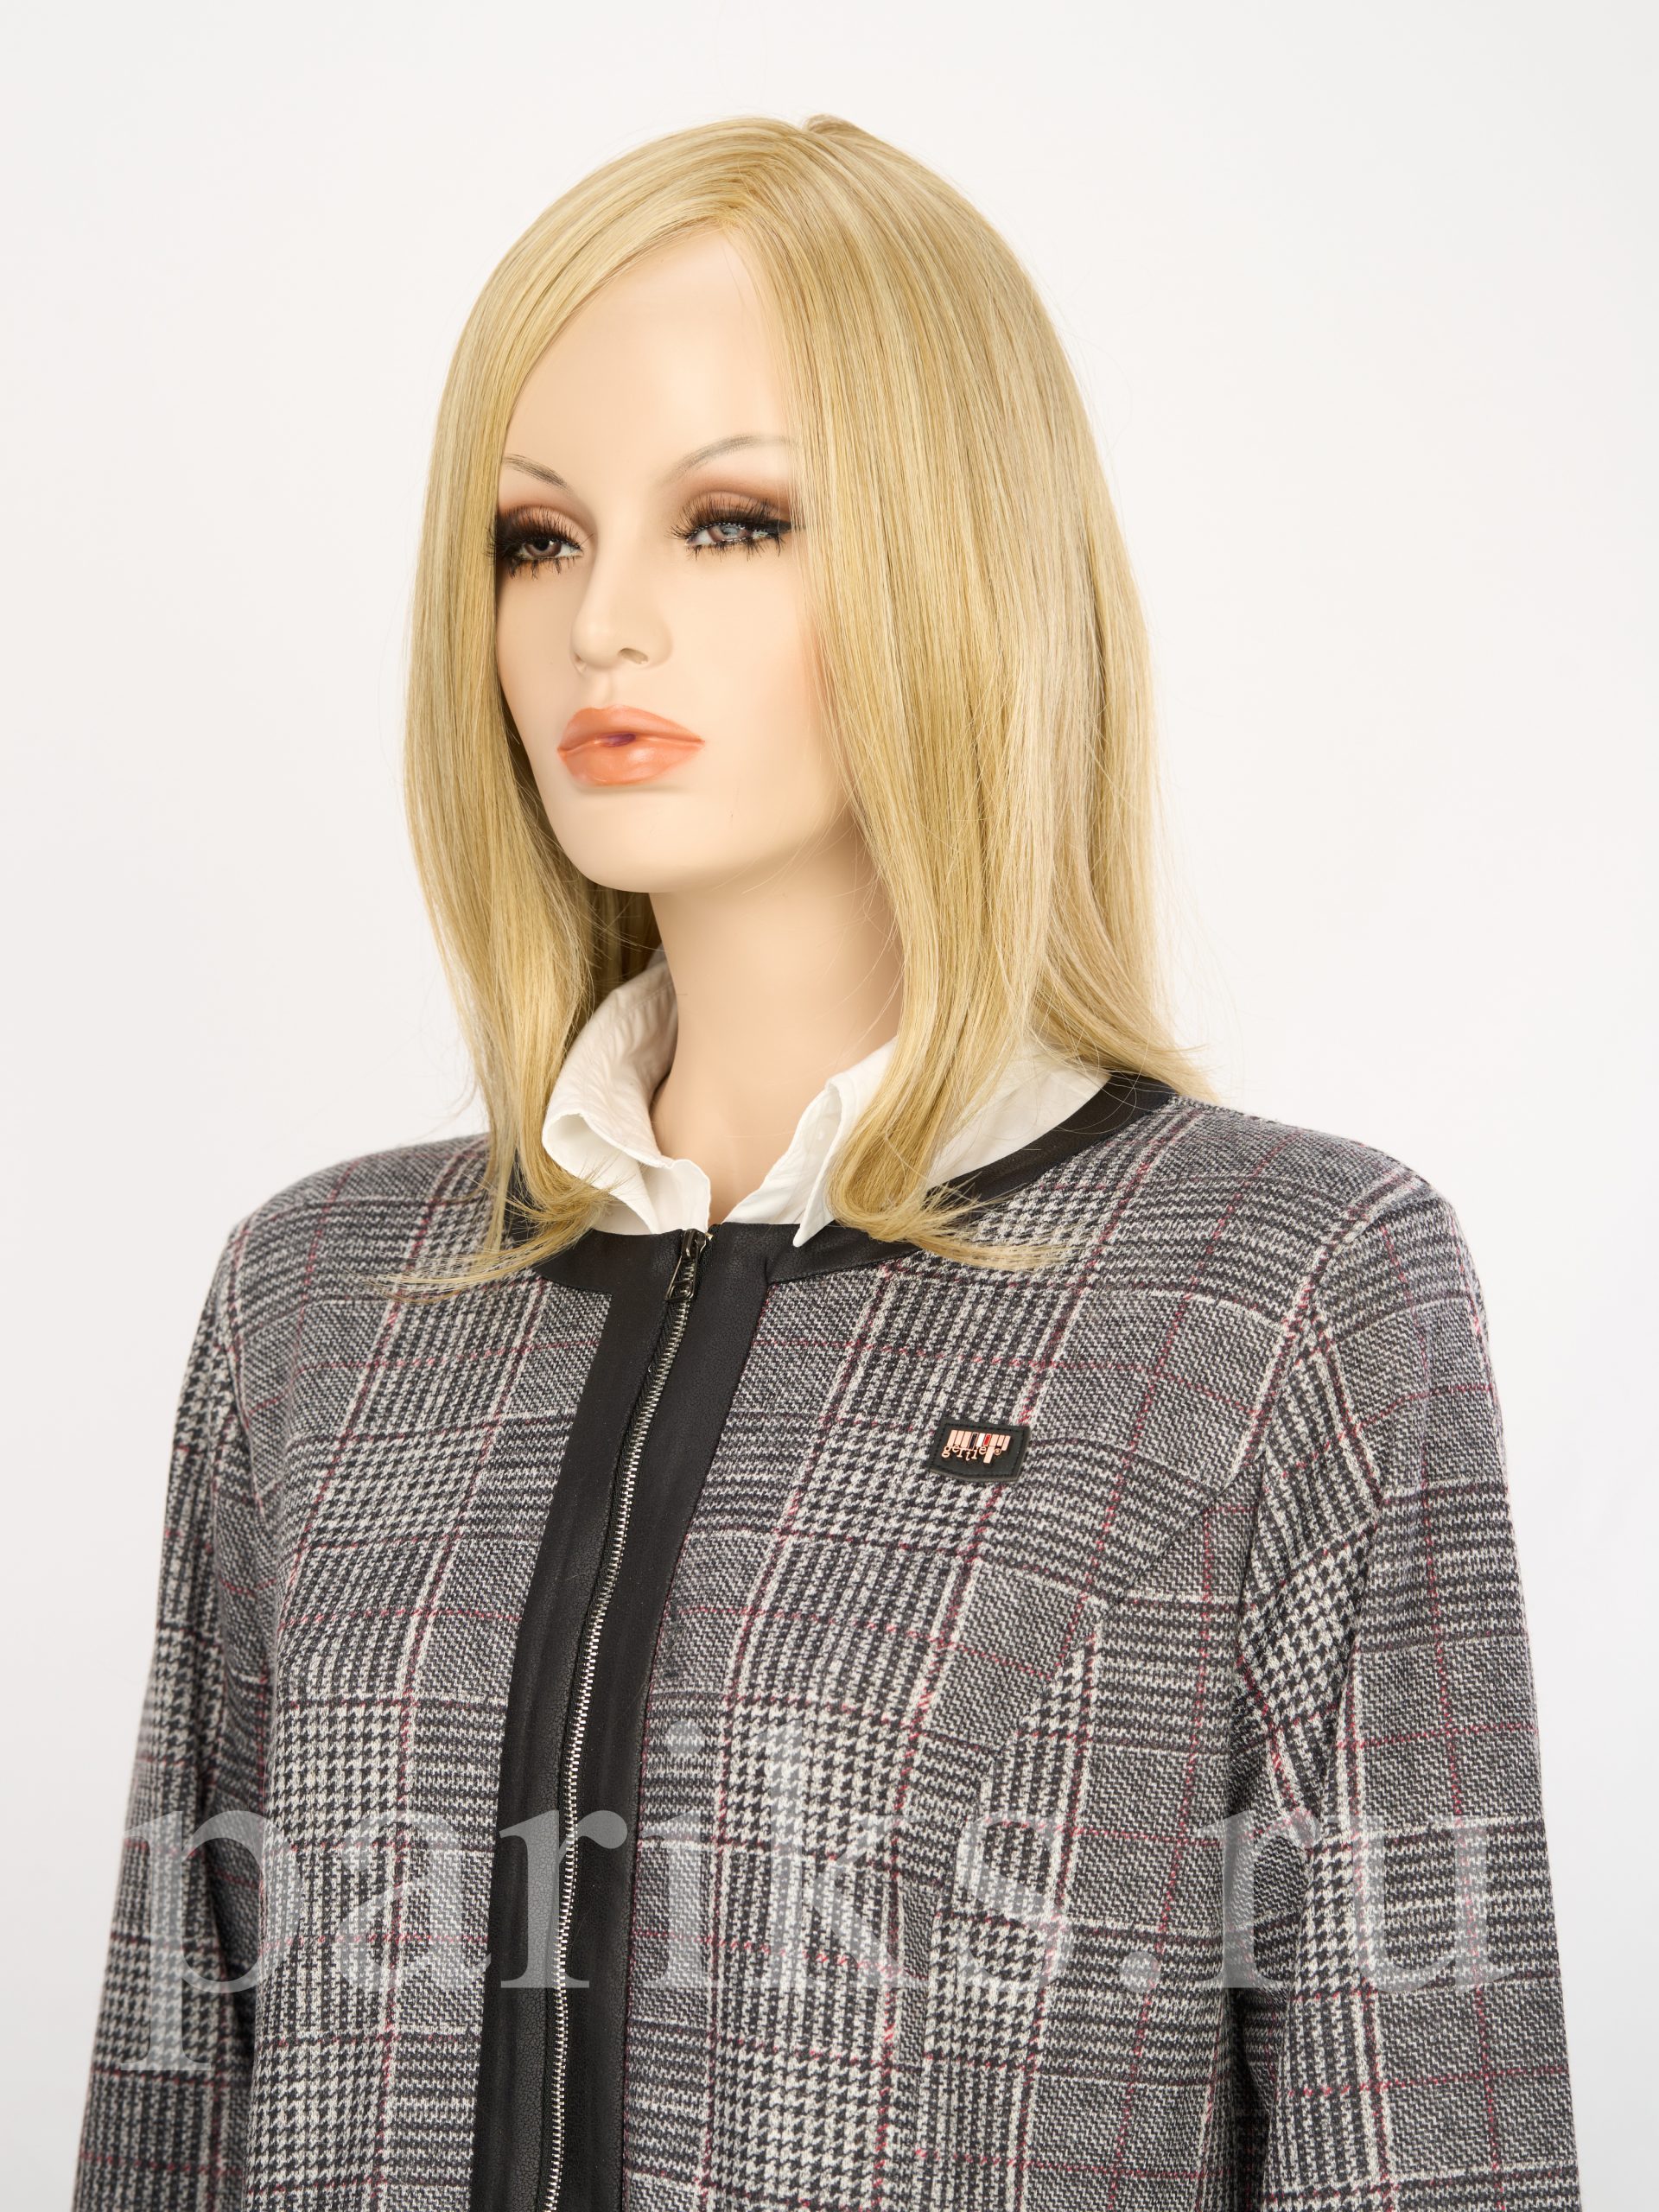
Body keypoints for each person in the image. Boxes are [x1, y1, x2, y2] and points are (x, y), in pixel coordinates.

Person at [74, 113, 1581, 2212]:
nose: (602, 623)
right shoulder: (319, 1301)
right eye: (534, 537)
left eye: (734, 521)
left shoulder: (1280, 1289)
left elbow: (1426, 2136)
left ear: (959, 559)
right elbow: (174, 2110)